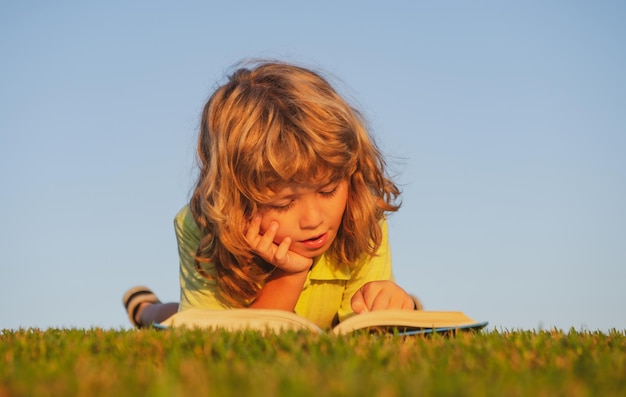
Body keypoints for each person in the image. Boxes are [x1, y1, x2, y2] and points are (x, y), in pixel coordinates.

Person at [123, 60, 422, 330]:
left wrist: (396, 305)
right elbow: (228, 343)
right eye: (284, 203)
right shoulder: (201, 227)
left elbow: (367, 328)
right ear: (236, 200)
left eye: (328, 190)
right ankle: (146, 309)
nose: (314, 220)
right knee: (177, 321)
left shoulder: (360, 213)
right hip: (231, 313)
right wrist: (290, 275)